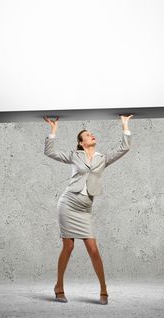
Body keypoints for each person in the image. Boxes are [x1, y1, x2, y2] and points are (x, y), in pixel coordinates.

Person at [43, 114, 133, 305]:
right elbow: (50, 152)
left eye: (92, 134)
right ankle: (59, 286)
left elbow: (124, 147)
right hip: (68, 203)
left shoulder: (103, 158)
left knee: (93, 249)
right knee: (68, 246)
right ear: (82, 143)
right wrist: (53, 130)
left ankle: (104, 289)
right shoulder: (75, 155)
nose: (92, 135)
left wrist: (124, 124)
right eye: (87, 135)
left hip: (84, 209)